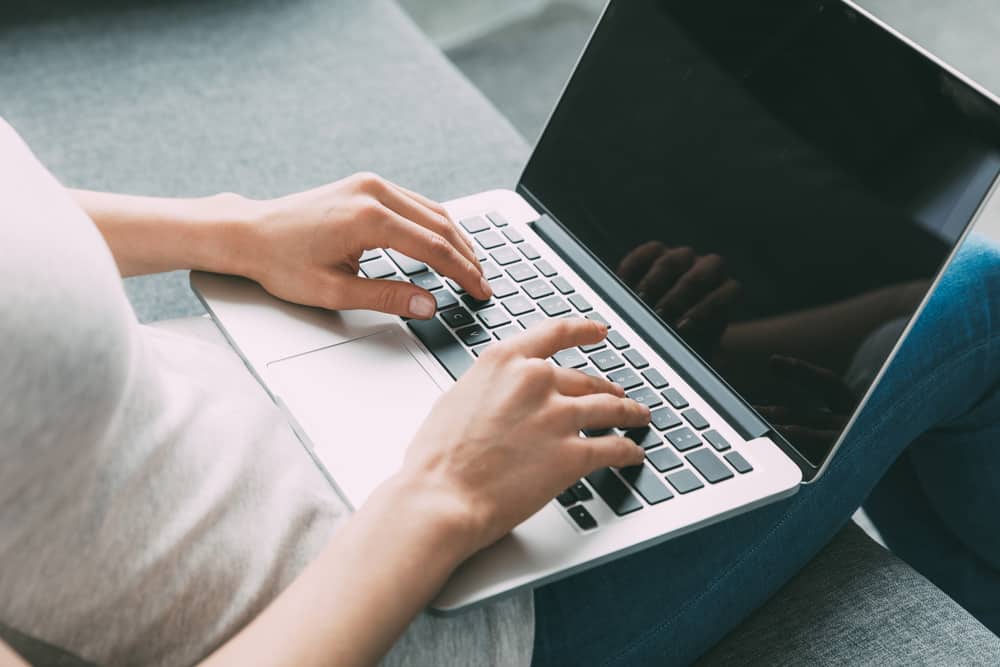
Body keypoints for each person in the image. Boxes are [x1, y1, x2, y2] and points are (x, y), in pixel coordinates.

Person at [1, 113, 999, 667]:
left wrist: (228, 230)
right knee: (976, 300)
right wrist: (442, 494)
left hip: (280, 382)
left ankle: (692, 361)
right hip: (434, 612)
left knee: (776, 325)